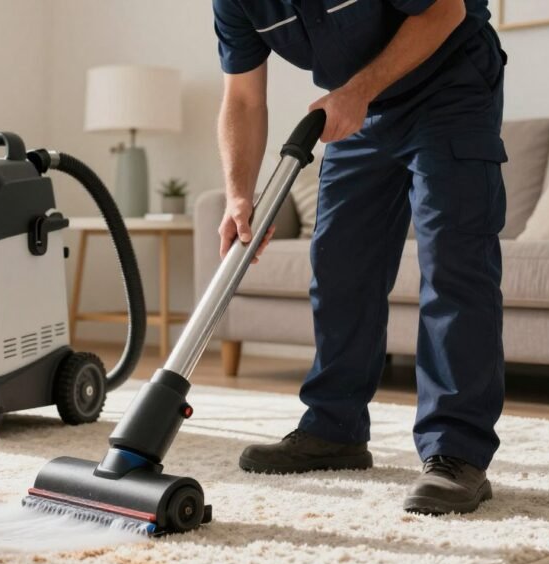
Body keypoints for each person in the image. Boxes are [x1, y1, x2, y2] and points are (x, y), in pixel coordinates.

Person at [213, 0, 508, 514]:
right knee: (339, 265)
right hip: (362, 107)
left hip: (450, 82)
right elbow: (241, 96)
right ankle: (334, 428)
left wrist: (356, 93)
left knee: (453, 263)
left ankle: (456, 452)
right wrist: (239, 194)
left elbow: (445, 10)